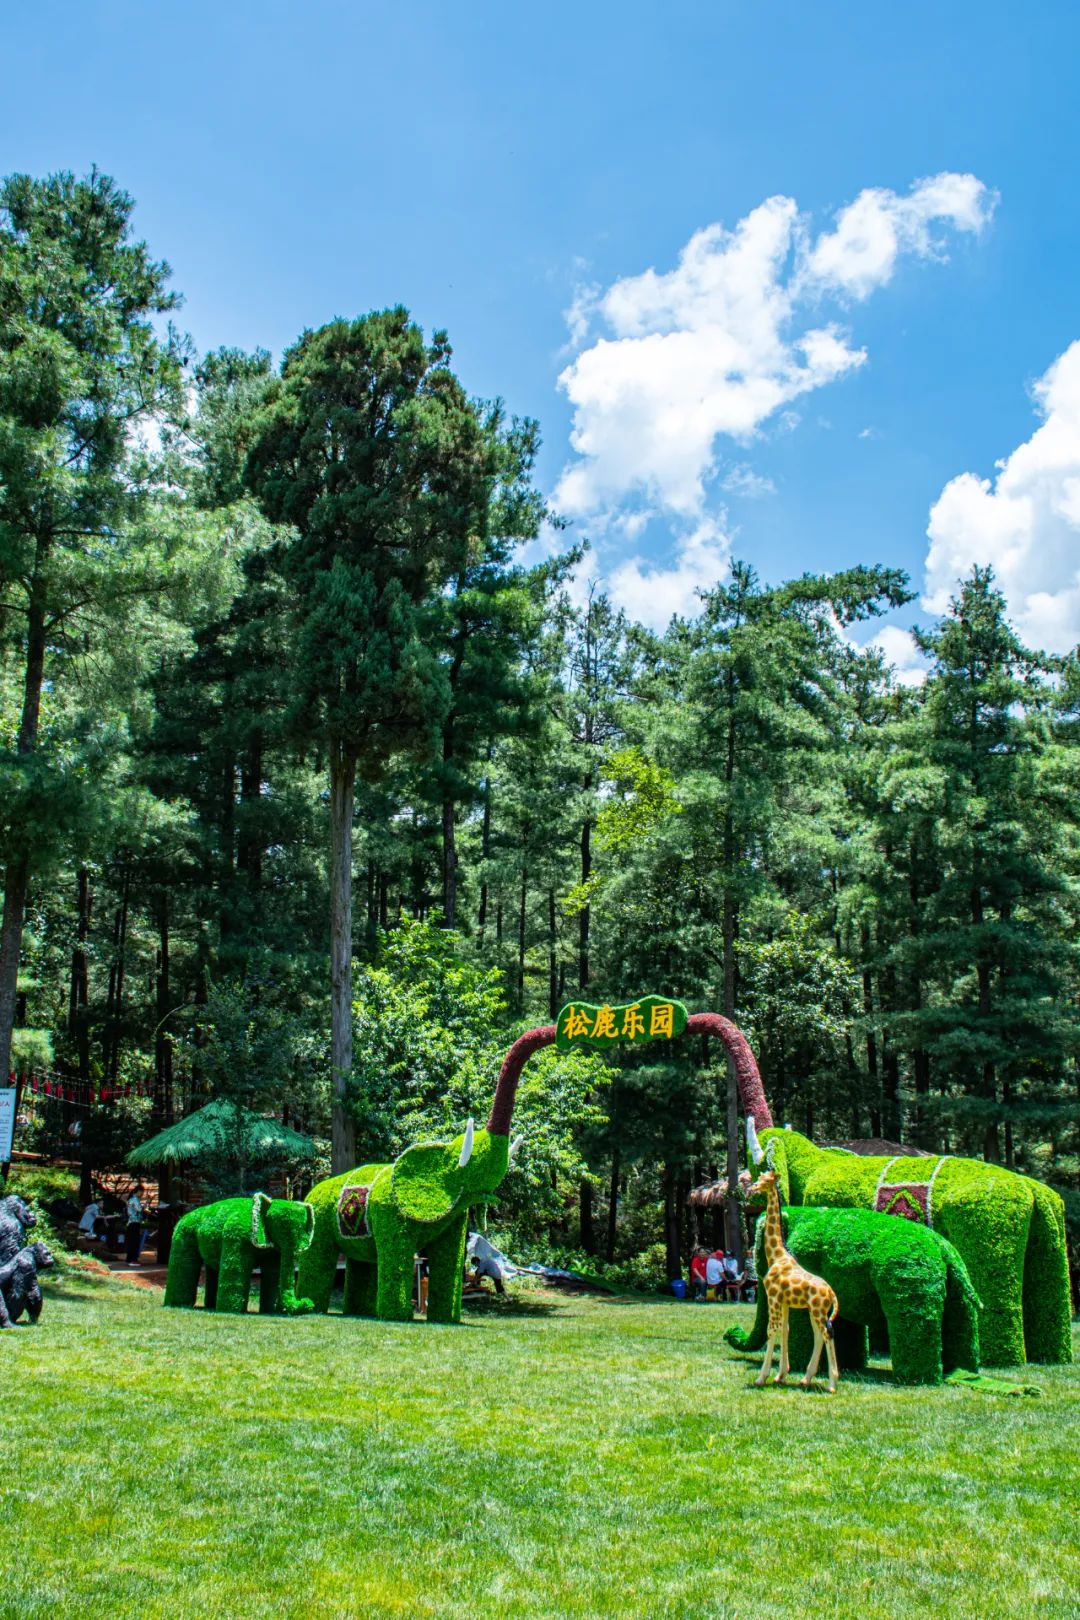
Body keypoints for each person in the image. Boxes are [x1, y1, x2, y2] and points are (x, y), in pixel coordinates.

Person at [125, 1189, 145, 1266]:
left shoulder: (131, 1199)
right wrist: (144, 1205)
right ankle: (133, 1260)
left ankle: (129, 1259)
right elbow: (139, 1209)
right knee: (134, 1242)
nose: (142, 1193)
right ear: (136, 1192)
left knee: (131, 1241)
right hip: (134, 1222)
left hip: (131, 1222)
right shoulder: (135, 1199)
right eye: (141, 1192)